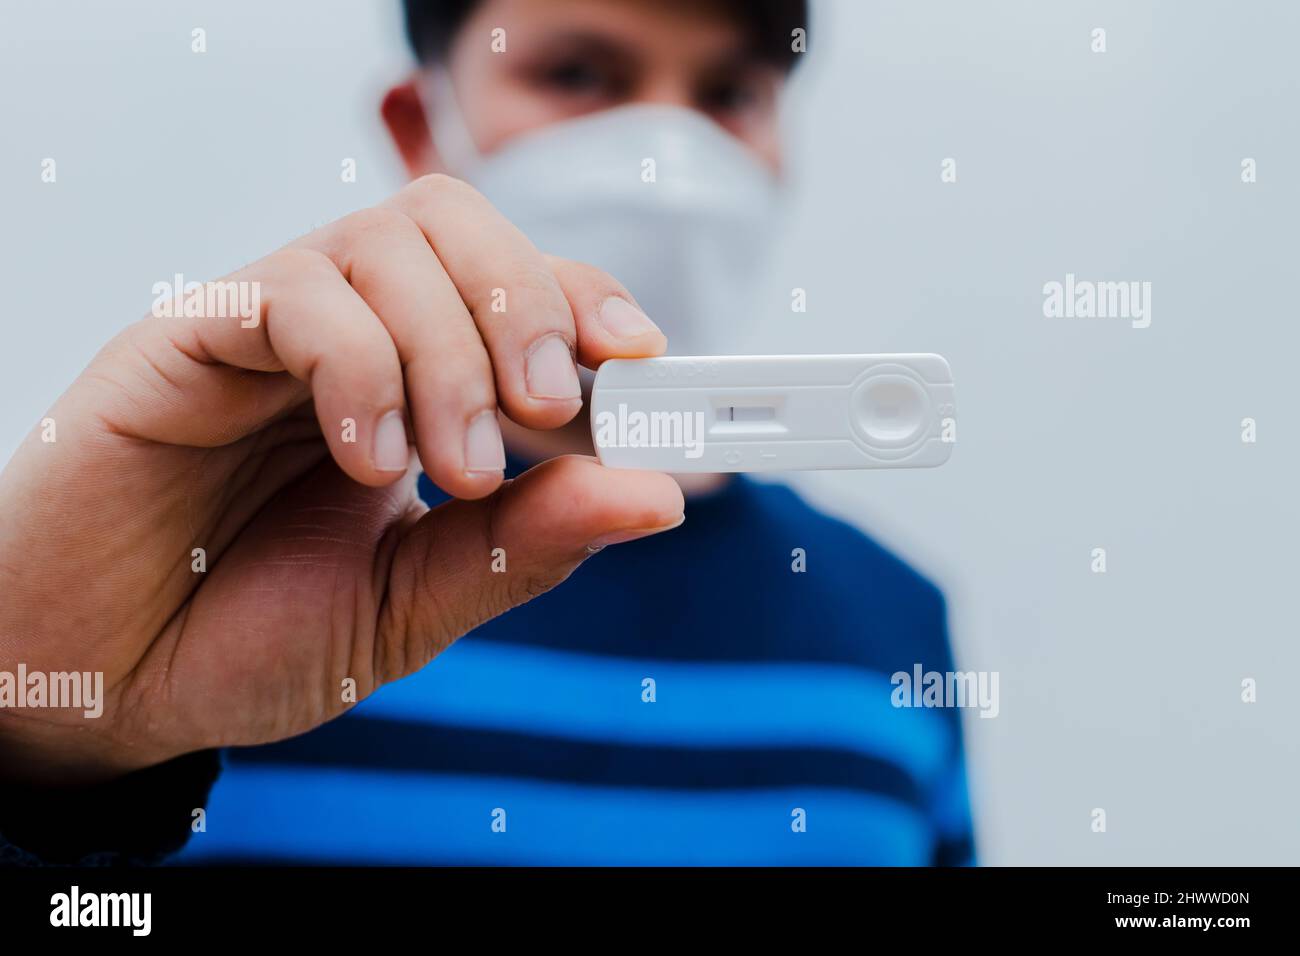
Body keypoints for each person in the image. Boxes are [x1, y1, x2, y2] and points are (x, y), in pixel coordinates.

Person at [0, 0, 973, 866]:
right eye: (578, 73)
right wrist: (51, 735)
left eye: (729, 93)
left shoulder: (892, 619)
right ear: (420, 125)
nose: (668, 159)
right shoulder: (227, 554)